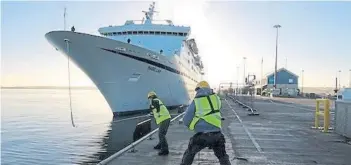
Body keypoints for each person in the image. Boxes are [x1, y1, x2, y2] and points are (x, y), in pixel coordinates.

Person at [180, 81, 231, 165]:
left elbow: (186, 119)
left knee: (189, 153)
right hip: (217, 134)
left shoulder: (196, 101)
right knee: (223, 156)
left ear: (199, 89)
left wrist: (193, 126)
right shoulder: (217, 99)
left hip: (202, 135)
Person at [148, 91, 171, 156]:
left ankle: (165, 150)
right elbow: (156, 110)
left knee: (161, 134)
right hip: (164, 118)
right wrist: (152, 111)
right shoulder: (157, 100)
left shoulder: (154, 101)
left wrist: (153, 108)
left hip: (164, 119)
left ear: (151, 97)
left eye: (149, 98)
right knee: (161, 133)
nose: (149, 99)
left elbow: (157, 108)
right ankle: (160, 145)